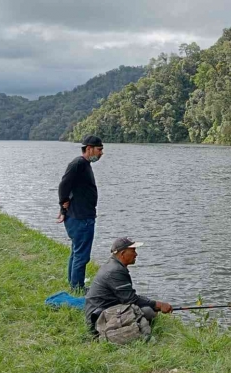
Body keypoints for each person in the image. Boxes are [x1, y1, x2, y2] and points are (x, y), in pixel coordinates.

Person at [84, 236, 173, 333]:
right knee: (148, 312)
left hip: (99, 311)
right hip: (98, 318)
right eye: (133, 251)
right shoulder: (115, 271)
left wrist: (153, 304)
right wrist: (158, 305)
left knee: (147, 309)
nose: (136, 254)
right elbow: (131, 300)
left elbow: (128, 298)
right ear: (122, 253)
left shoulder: (112, 265)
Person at [57, 135, 104, 291]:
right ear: (89, 148)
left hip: (81, 216)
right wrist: (63, 205)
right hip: (80, 218)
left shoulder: (84, 165)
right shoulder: (78, 164)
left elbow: (72, 188)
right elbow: (64, 185)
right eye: (99, 149)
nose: (101, 153)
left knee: (76, 252)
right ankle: (77, 287)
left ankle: (73, 284)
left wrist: (64, 206)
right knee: (82, 255)